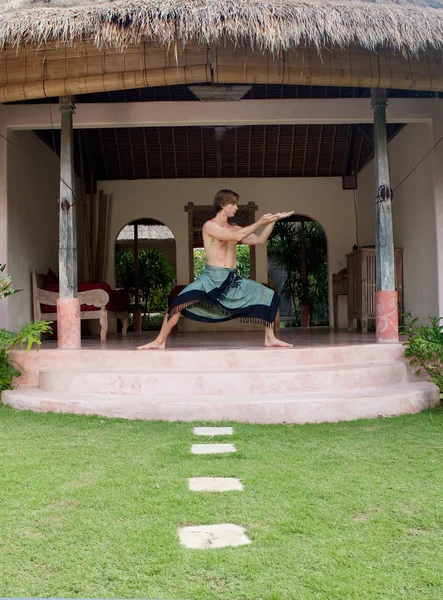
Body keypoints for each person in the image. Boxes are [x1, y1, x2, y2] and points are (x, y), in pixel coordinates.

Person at [138, 189, 294, 350]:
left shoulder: (235, 227)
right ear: (222, 205)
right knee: (178, 303)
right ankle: (159, 341)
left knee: (268, 295)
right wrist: (259, 223)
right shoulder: (209, 226)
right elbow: (234, 236)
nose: (236, 208)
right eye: (233, 204)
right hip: (210, 277)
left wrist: (273, 220)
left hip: (232, 279)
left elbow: (260, 239)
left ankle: (269, 338)